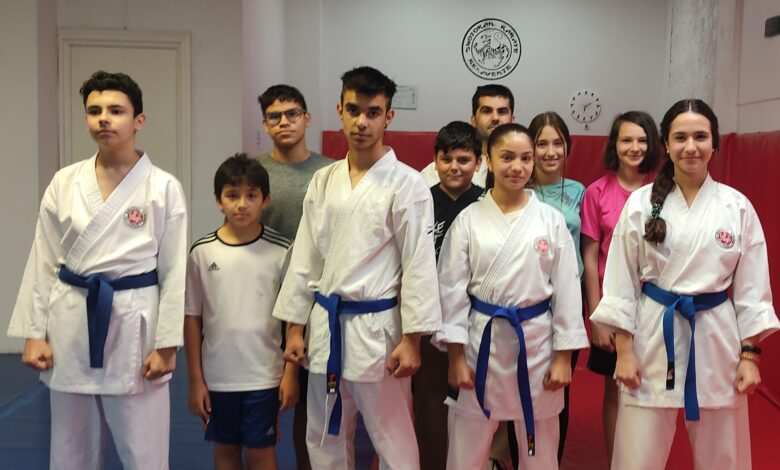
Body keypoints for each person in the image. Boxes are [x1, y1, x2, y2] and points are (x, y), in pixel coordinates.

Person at [7, 70, 188, 470]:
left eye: (116, 110)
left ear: (138, 120)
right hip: (72, 319)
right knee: (70, 448)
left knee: (144, 450)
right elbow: (43, 259)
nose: (104, 118)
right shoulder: (65, 182)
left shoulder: (162, 187)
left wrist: (167, 344)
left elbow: (175, 271)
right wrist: (35, 333)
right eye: (94, 111)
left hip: (134, 323)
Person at [591, 99, 779, 470]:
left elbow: (752, 290)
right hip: (653, 332)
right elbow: (621, 281)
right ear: (666, 143)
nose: (690, 146)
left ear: (715, 143)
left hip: (716, 336)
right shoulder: (641, 204)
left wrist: (749, 357)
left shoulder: (736, 207)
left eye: (700, 137)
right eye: (680, 137)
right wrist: (624, 351)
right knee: (637, 454)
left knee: (723, 454)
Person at [272, 66, 441, 470]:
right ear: (340, 111)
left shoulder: (407, 184)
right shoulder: (323, 180)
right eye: (353, 110)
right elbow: (306, 257)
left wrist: (413, 340)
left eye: (373, 112)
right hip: (326, 326)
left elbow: (418, 263)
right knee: (324, 437)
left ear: (388, 116)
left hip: (377, 330)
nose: (362, 122)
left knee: (393, 438)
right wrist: (294, 328)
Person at [435, 123, 588, 470]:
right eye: (507, 157)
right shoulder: (468, 220)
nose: (517, 167)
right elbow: (451, 291)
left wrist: (563, 357)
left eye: (525, 158)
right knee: (466, 449)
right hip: (480, 345)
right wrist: (455, 357)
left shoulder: (550, 220)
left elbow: (567, 292)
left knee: (540, 450)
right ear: (488, 160)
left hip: (536, 346)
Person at [184, 154, 298, 470]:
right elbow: (192, 318)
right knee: (225, 451)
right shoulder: (201, 252)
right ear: (218, 201)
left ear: (266, 200)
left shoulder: (282, 249)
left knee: (261, 453)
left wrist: (290, 373)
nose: (242, 204)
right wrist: (195, 380)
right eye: (232, 195)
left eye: (251, 195)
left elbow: (294, 317)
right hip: (218, 376)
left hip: (264, 375)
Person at [257, 84, 332, 470]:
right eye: (275, 116)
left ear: (307, 118)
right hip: (263, 298)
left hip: (314, 298)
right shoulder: (256, 172)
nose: (284, 122)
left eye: (292, 114)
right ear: (265, 124)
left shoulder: (330, 172)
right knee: (262, 394)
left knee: (310, 398)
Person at [580, 111, 661, 464]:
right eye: (627, 140)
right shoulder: (597, 192)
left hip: (656, 306)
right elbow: (590, 257)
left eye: (642, 140)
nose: (634, 147)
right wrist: (598, 316)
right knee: (615, 390)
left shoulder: (664, 189)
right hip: (614, 305)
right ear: (614, 145)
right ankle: (617, 460)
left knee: (653, 388)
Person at [414, 120, 483, 470]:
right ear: (435, 160)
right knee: (429, 404)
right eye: (447, 159)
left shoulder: (487, 203)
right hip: (428, 317)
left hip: (475, 321)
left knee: (473, 404)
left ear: (478, 162)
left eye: (464, 159)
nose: (454, 167)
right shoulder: (420, 202)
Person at [526, 111, 585, 462]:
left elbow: (587, 249)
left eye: (557, 143)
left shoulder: (578, 191)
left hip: (567, 299)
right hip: (528, 299)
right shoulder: (518, 186)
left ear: (567, 147)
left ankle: (551, 461)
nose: (550, 152)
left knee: (559, 385)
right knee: (519, 385)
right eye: (541, 143)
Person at [420, 84, 515, 187]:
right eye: (487, 111)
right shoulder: (438, 171)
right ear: (473, 120)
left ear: (512, 120)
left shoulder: (521, 168)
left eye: (502, 112)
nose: (495, 118)